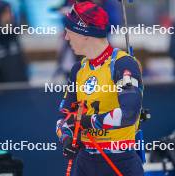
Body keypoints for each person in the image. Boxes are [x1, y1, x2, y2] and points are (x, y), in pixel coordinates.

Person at [56, 1, 144, 176]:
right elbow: (64, 119)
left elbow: (129, 114)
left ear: (85, 33)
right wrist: (67, 138)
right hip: (86, 163)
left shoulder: (122, 64)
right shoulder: (78, 69)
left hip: (119, 162)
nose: (66, 37)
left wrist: (90, 121)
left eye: (70, 31)